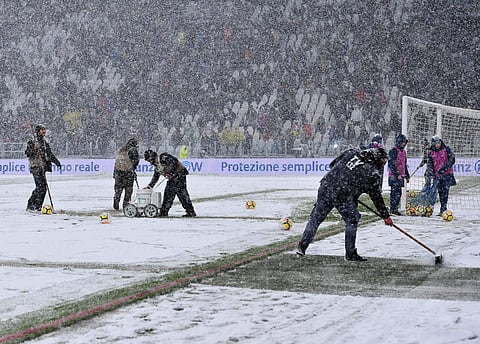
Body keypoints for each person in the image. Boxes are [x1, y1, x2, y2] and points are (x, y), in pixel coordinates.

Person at [297, 147, 393, 261]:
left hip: (326, 186)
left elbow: (332, 165)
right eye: (383, 163)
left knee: (316, 218)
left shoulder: (351, 152)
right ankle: (350, 253)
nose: (383, 166)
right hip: (341, 194)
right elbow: (376, 196)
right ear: (376, 159)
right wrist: (385, 216)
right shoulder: (371, 172)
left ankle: (302, 246)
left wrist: (343, 180)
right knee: (352, 219)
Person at [144, 150, 196, 217]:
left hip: (180, 175)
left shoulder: (163, 157)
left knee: (181, 194)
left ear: (152, 157)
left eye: (149, 160)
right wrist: (150, 186)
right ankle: (164, 212)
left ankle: (190, 212)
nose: (150, 162)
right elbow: (155, 177)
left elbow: (174, 162)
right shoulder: (157, 166)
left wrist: (170, 172)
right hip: (173, 178)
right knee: (169, 194)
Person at [25, 124, 61, 211]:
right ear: (38, 131)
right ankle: (31, 204)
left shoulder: (45, 143)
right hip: (35, 166)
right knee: (40, 187)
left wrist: (56, 162)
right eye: (42, 130)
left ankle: (38, 206)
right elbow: (27, 153)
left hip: (43, 167)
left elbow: (49, 154)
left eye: (44, 129)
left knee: (43, 188)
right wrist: (33, 149)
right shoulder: (32, 141)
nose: (44, 131)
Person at [426, 135, 456, 215]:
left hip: (447, 174)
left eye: (439, 142)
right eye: (436, 143)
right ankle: (442, 209)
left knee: (445, 192)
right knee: (440, 192)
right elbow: (430, 164)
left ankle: (443, 208)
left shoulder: (447, 149)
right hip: (437, 176)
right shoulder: (431, 152)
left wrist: (444, 168)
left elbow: (452, 159)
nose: (438, 144)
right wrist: (431, 172)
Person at [113, 138, 139, 210]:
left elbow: (116, 161)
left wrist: (114, 173)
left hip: (118, 172)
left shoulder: (120, 149)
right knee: (128, 190)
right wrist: (133, 169)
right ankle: (125, 205)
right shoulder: (133, 150)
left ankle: (116, 201)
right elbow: (135, 161)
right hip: (128, 173)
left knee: (118, 189)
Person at [388, 134, 410, 215]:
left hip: (401, 176)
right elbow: (391, 165)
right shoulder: (393, 151)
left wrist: (407, 175)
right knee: (394, 193)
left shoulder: (403, 152)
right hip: (394, 176)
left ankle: (395, 208)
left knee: (399, 193)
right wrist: (397, 175)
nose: (404, 144)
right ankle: (393, 209)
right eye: (402, 142)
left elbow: (404, 164)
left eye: (405, 142)